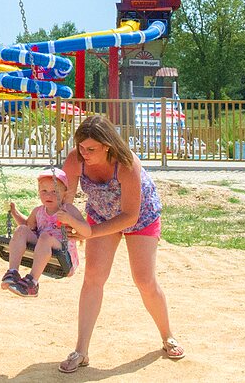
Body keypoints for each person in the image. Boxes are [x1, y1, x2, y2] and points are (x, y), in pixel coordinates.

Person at [53, 115, 183, 372]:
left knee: (144, 280)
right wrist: (65, 224)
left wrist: (89, 232)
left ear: (107, 146)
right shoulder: (75, 159)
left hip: (140, 217)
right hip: (101, 214)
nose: (84, 153)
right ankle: (81, 350)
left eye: (91, 149)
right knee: (92, 278)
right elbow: (64, 197)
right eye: (81, 147)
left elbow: (130, 216)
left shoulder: (126, 163)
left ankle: (167, 335)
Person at [0, 167, 84, 297]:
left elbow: (86, 230)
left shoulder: (68, 209)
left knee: (45, 237)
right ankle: (13, 272)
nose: (48, 195)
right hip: (43, 248)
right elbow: (27, 227)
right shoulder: (38, 211)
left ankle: (32, 282)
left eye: (54, 191)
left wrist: (71, 220)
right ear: (39, 192)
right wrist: (14, 212)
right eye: (44, 191)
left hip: (63, 254)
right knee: (21, 230)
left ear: (64, 193)